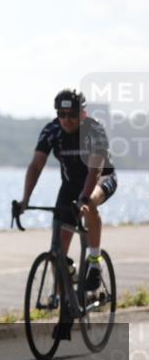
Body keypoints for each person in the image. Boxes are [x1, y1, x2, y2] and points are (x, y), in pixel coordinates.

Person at [19, 88, 117, 339]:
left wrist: (84, 200)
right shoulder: (51, 131)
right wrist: (25, 200)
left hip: (99, 178)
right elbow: (36, 164)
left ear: (82, 113)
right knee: (58, 250)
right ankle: (66, 305)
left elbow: (95, 171)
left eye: (71, 114)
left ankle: (94, 262)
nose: (66, 119)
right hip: (69, 184)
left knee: (90, 203)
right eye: (61, 114)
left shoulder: (93, 131)